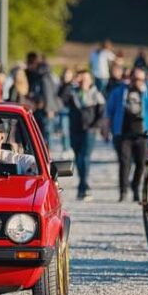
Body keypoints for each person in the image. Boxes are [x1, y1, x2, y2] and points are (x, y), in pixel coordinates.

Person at [105, 66, 148, 202]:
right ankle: (123, 191)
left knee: (141, 163)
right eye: (135, 78)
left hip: (142, 134)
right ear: (130, 78)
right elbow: (109, 111)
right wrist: (105, 128)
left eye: (141, 79)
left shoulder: (147, 94)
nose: (138, 82)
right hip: (123, 133)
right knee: (124, 163)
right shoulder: (119, 92)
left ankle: (135, 187)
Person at [62, 70, 105, 200]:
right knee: (78, 157)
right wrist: (69, 82)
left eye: (86, 79)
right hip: (75, 129)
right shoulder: (72, 93)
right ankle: (83, 184)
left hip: (89, 130)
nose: (84, 82)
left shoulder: (96, 94)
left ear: (90, 80)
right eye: (82, 79)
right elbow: (61, 98)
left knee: (85, 157)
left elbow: (101, 112)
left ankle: (84, 186)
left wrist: (96, 126)